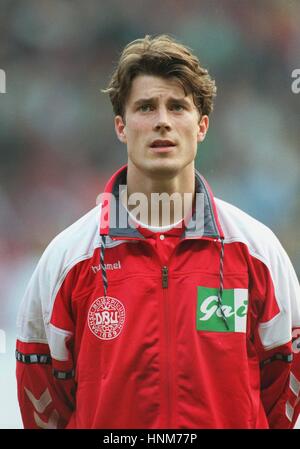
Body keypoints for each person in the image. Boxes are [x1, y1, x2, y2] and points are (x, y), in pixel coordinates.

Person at [16, 34, 300, 429]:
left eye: (177, 106)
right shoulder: (68, 257)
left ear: (201, 127)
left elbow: (285, 379)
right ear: (121, 126)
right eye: (146, 107)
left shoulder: (256, 250)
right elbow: (42, 393)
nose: (162, 120)